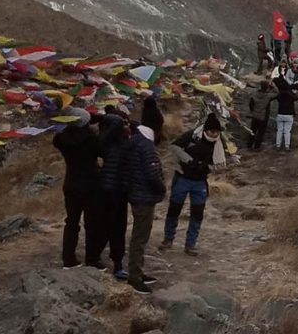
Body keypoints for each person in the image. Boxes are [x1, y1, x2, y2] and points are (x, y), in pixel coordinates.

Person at [160, 113, 225, 255]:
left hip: (200, 181)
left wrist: (207, 167)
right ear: (206, 130)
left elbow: (221, 164)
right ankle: (168, 239)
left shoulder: (219, 142)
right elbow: (175, 147)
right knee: (174, 210)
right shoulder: (192, 136)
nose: (214, 135)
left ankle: (190, 245)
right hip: (183, 177)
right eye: (212, 132)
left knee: (197, 214)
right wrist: (189, 161)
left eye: (217, 132)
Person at [52, 107, 103, 269]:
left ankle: (68, 259)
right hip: (91, 184)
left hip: (71, 184)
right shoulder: (92, 140)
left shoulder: (61, 139)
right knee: (93, 223)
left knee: (71, 223)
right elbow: (101, 150)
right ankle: (93, 259)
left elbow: (59, 137)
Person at [123, 124, 166, 294]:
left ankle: (138, 272)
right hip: (145, 196)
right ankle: (134, 277)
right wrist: (161, 188)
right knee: (140, 237)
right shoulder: (146, 146)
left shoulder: (132, 144)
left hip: (135, 194)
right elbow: (152, 173)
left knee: (139, 236)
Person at [96, 107, 132, 279]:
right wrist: (113, 118)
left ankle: (117, 262)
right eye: (123, 123)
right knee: (107, 226)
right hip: (111, 189)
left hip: (121, 189)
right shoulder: (108, 141)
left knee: (118, 228)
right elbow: (117, 122)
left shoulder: (120, 140)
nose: (126, 125)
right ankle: (95, 258)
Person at [273, 74, 298, 151]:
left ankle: (278, 145)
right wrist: (291, 91)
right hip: (289, 114)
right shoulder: (290, 95)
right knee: (287, 131)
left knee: (279, 130)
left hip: (280, 114)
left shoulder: (279, 95)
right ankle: (287, 146)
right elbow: (297, 97)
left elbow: (275, 97)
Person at [248, 81, 273, 151]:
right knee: (261, 132)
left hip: (255, 115)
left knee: (253, 130)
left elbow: (251, 104)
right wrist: (273, 86)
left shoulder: (255, 94)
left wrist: (253, 111)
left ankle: (249, 145)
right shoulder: (268, 96)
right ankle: (257, 146)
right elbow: (277, 93)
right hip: (263, 116)